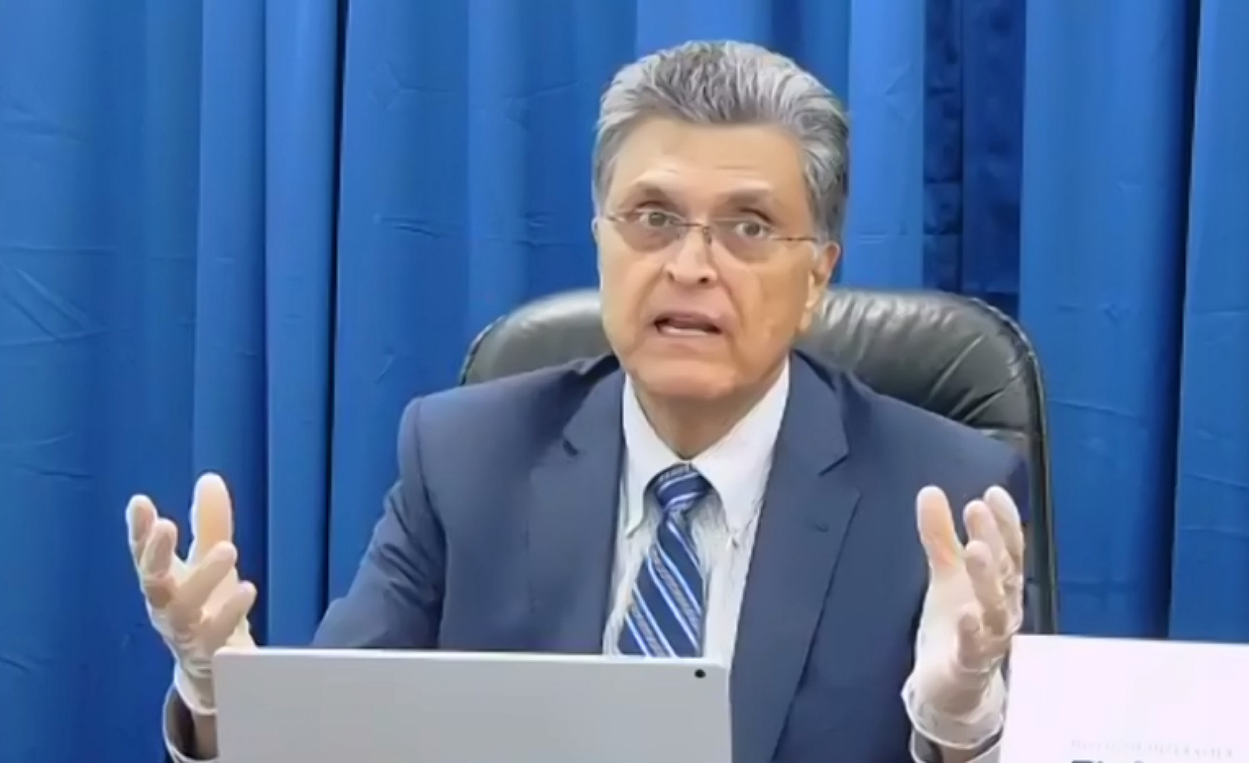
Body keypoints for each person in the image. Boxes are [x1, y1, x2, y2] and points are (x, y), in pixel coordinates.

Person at [127, 40, 1029, 763]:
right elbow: (337, 740)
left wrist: (965, 732)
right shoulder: (463, 460)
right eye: (653, 218)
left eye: (749, 227)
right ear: (602, 241)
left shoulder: (946, 498)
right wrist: (224, 700)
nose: (691, 266)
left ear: (817, 278)